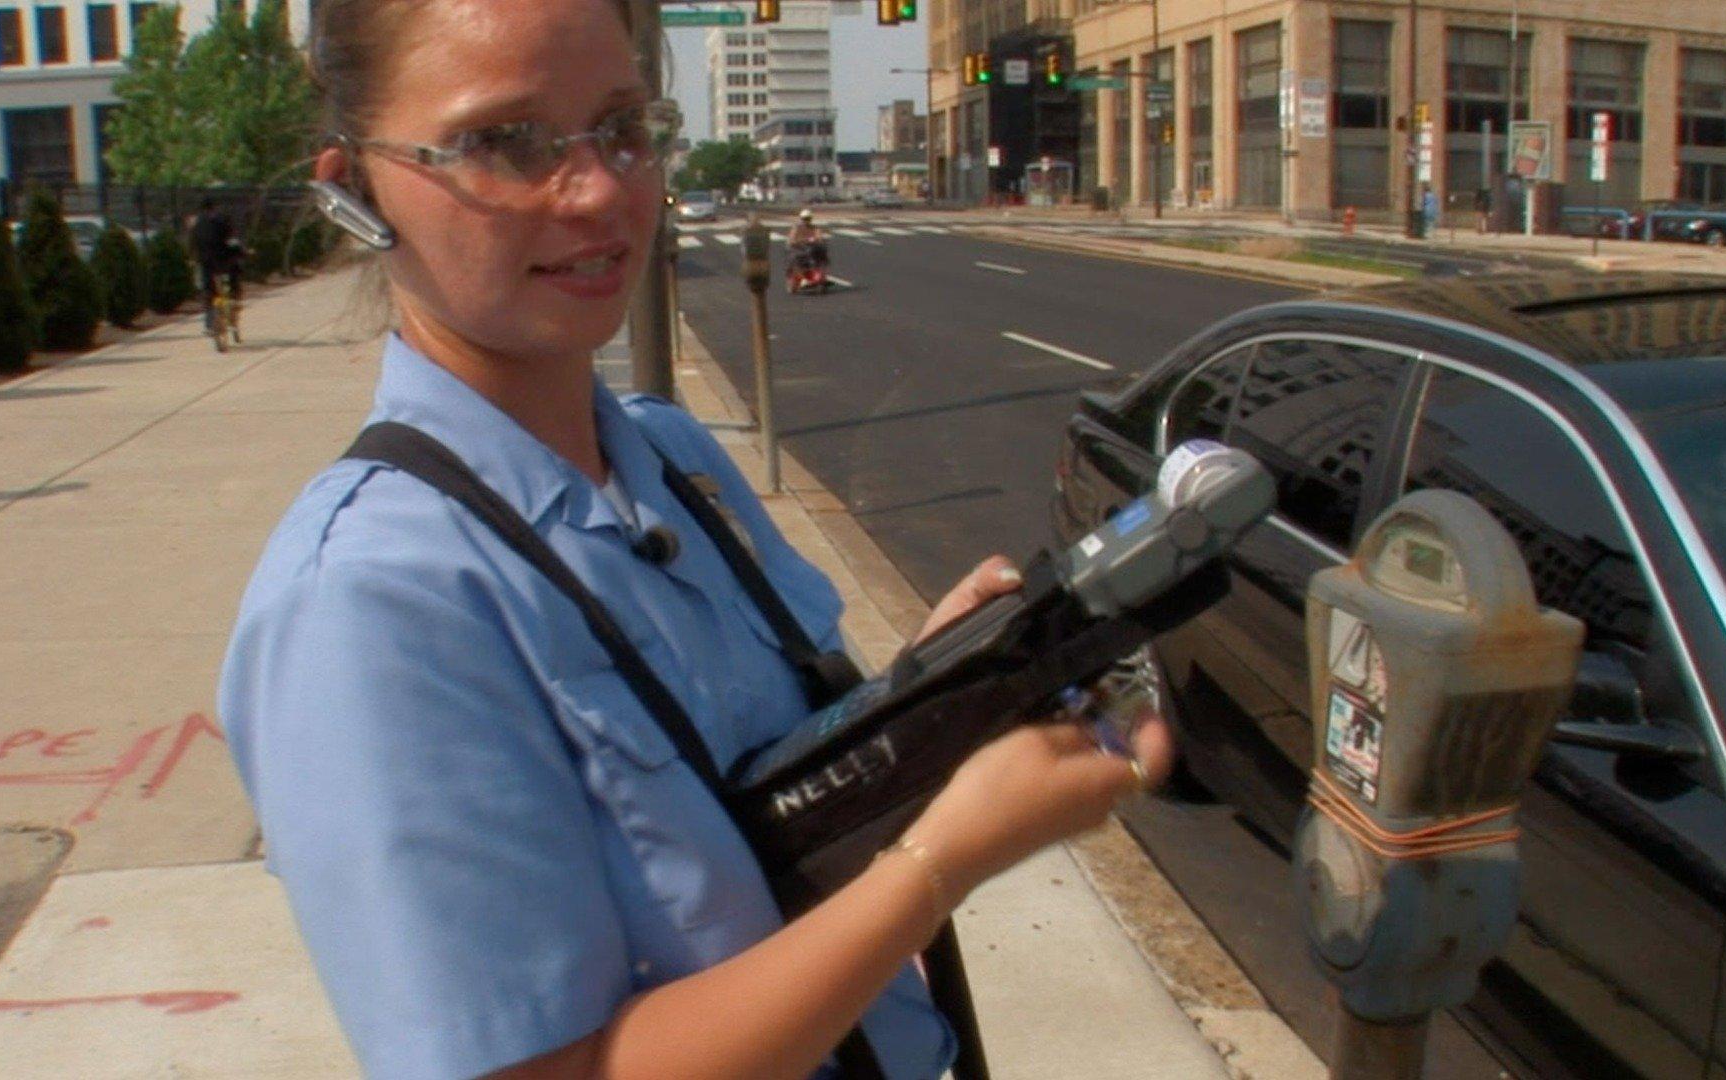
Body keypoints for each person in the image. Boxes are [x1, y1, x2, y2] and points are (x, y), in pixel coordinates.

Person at [217, 2, 1172, 1079]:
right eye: (504, 142)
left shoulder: (677, 462)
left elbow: (768, 824)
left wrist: (936, 698)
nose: (598, 190)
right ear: (353, 188)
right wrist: (939, 863)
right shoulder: (368, 604)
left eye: (622, 127)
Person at [188, 197, 242, 333]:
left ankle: (209, 324)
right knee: (233, 276)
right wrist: (241, 252)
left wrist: (192, 259)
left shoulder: (196, 223)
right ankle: (235, 297)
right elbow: (232, 239)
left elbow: (192, 244)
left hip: (205, 261)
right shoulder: (222, 220)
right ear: (214, 207)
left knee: (208, 290)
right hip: (224, 259)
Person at [788, 206, 828, 273]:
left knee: (821, 252)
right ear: (801, 219)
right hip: (799, 249)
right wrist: (802, 241)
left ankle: (819, 271)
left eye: (808, 219)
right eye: (804, 219)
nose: (806, 221)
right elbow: (791, 240)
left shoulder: (815, 228)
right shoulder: (796, 229)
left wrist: (816, 240)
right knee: (794, 258)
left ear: (810, 219)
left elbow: (819, 238)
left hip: (811, 249)